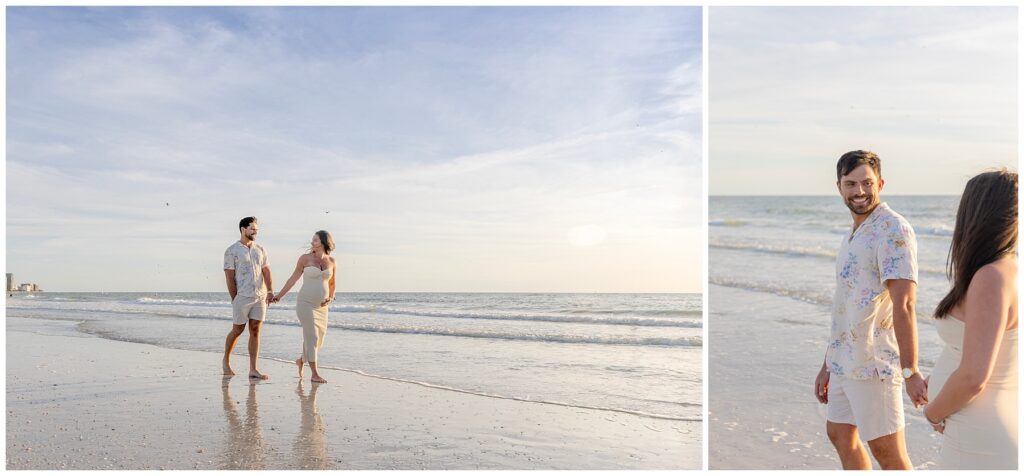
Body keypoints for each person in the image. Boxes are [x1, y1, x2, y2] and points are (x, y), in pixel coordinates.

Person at [813, 150, 927, 470]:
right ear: (839, 187)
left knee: (889, 454)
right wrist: (828, 363)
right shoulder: (853, 234)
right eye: (851, 184)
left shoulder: (893, 230)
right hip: (844, 361)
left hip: (874, 364)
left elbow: (905, 303)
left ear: (881, 183)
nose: (859, 191)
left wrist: (911, 371)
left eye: (867, 183)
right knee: (839, 433)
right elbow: (845, 304)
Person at [923, 169, 1018, 470]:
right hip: (983, 425)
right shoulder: (1008, 269)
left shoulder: (991, 277)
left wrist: (933, 412)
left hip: (979, 435)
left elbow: (974, 377)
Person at [273, 230, 337, 383]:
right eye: (312, 240)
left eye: (315, 240)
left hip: (321, 307)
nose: (312, 242)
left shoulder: (332, 261)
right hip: (305, 303)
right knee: (312, 337)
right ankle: (314, 373)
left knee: (318, 339)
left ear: (323, 241)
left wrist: (330, 298)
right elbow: (293, 279)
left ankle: (301, 360)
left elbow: (332, 283)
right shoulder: (305, 259)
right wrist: (279, 295)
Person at [223, 216, 274, 380]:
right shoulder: (231, 251)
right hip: (242, 296)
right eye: (252, 229)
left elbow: (266, 271)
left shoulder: (261, 249)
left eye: (256, 230)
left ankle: (253, 369)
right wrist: (235, 298)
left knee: (255, 330)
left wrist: (270, 290)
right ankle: (226, 360)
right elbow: (229, 276)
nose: (255, 232)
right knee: (238, 330)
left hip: (260, 296)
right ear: (243, 229)